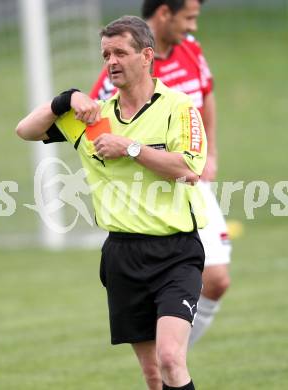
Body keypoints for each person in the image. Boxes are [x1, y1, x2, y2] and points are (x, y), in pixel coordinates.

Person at [16, 15, 207, 390]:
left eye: (121, 52)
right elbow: (26, 130)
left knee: (171, 358)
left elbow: (188, 169)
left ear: (146, 55)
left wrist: (131, 148)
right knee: (153, 374)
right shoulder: (93, 117)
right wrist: (65, 98)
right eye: (106, 54)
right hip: (122, 254)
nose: (112, 62)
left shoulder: (178, 107)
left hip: (176, 252)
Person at [90, 0, 231, 347]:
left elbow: (206, 94)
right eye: (188, 18)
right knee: (207, 280)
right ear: (165, 13)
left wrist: (210, 151)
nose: (192, 27)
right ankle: (169, 361)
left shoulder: (191, 49)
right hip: (156, 190)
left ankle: (173, 357)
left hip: (189, 177)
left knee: (217, 281)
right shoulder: (125, 64)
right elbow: (94, 119)